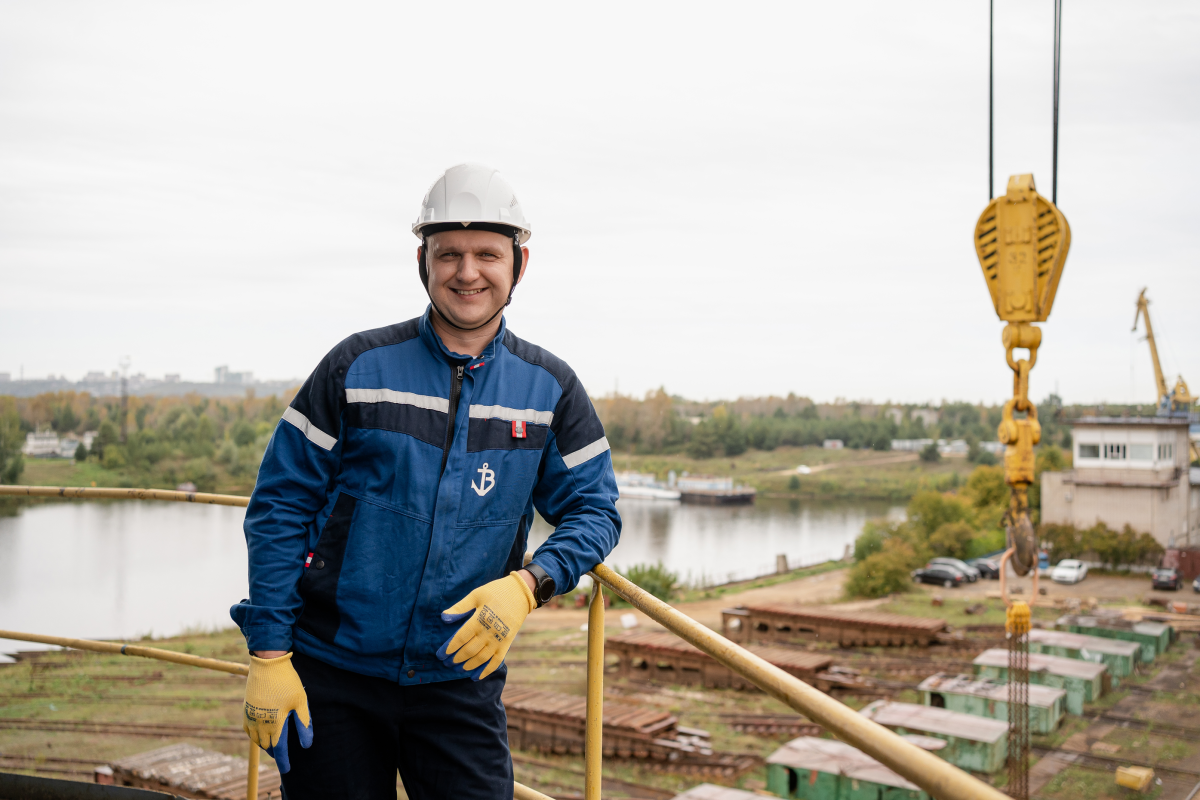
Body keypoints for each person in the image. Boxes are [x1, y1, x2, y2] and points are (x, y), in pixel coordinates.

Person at [230, 163, 621, 799]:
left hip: (458, 679)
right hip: (333, 677)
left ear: (518, 265)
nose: (468, 272)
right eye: (450, 255)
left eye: (487, 254)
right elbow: (280, 504)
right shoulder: (356, 367)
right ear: (423, 261)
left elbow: (596, 512)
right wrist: (270, 655)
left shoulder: (549, 390)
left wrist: (530, 585)